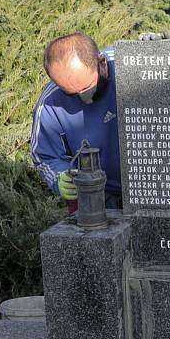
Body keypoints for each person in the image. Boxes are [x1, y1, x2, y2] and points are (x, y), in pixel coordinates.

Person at [30, 31, 123, 209]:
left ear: (102, 63)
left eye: (88, 88)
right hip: (99, 195)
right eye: (71, 94)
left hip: (156, 187)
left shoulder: (128, 65)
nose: (85, 99)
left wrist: (156, 51)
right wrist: (59, 176)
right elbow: (44, 156)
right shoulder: (50, 102)